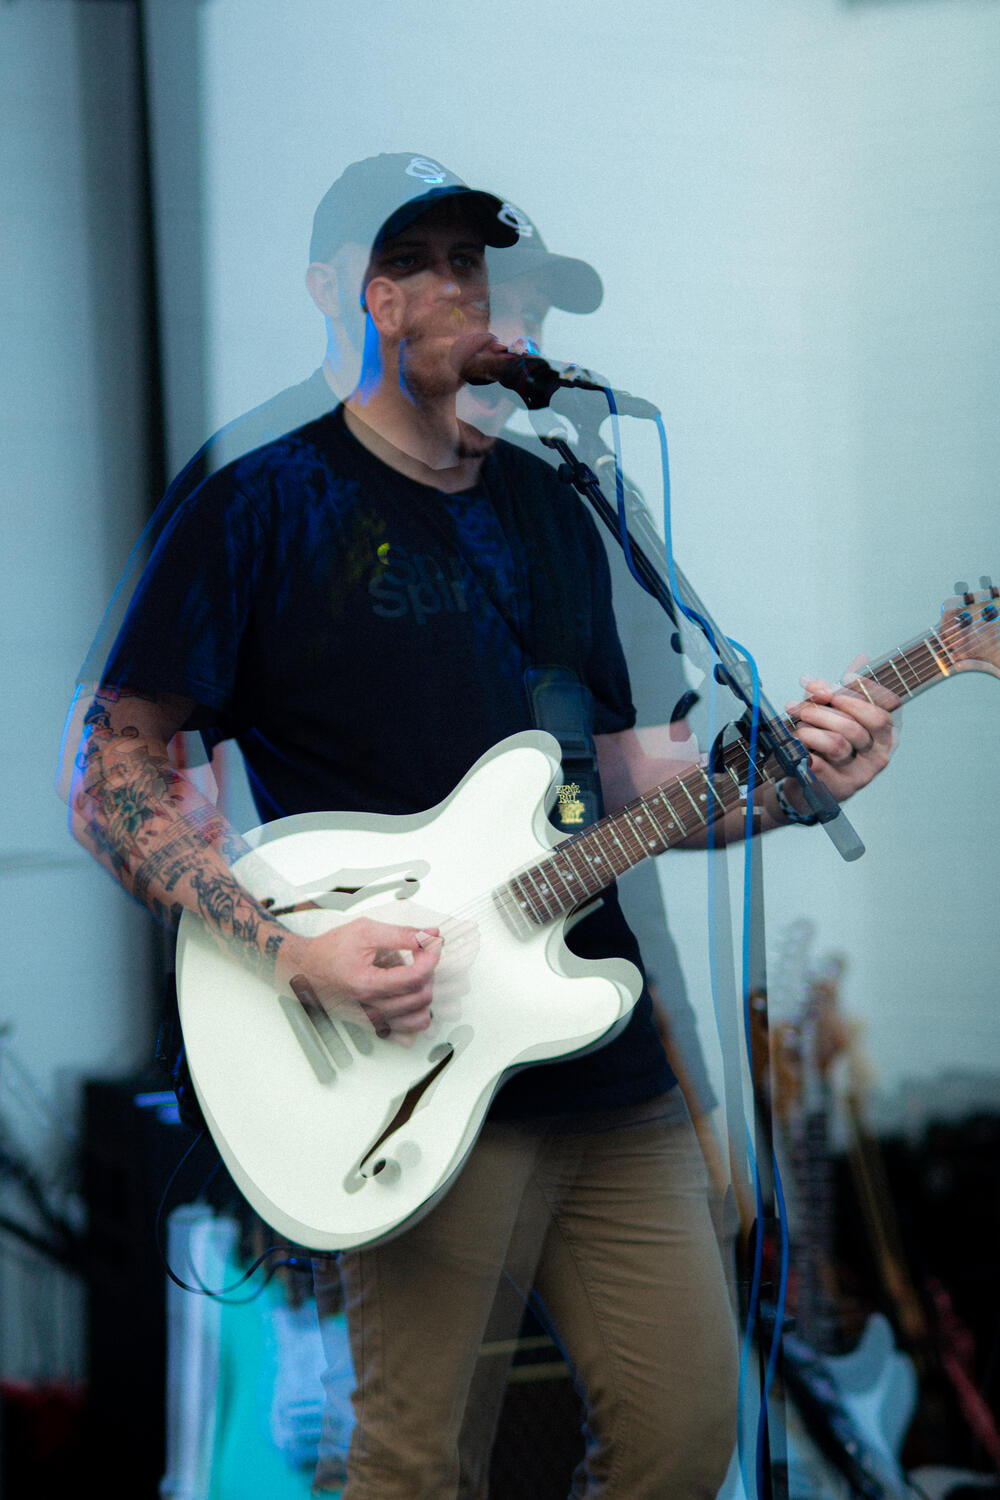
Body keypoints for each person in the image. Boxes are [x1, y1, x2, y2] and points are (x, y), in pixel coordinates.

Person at [63, 154, 898, 1498]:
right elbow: (112, 771)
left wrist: (798, 785)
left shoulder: (559, 505)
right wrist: (290, 952)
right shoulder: (261, 504)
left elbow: (606, 784)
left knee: (686, 1440)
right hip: (409, 1051)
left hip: (598, 1052)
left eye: (482, 267)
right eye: (426, 264)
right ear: (344, 293)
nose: (470, 293)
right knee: (415, 1464)